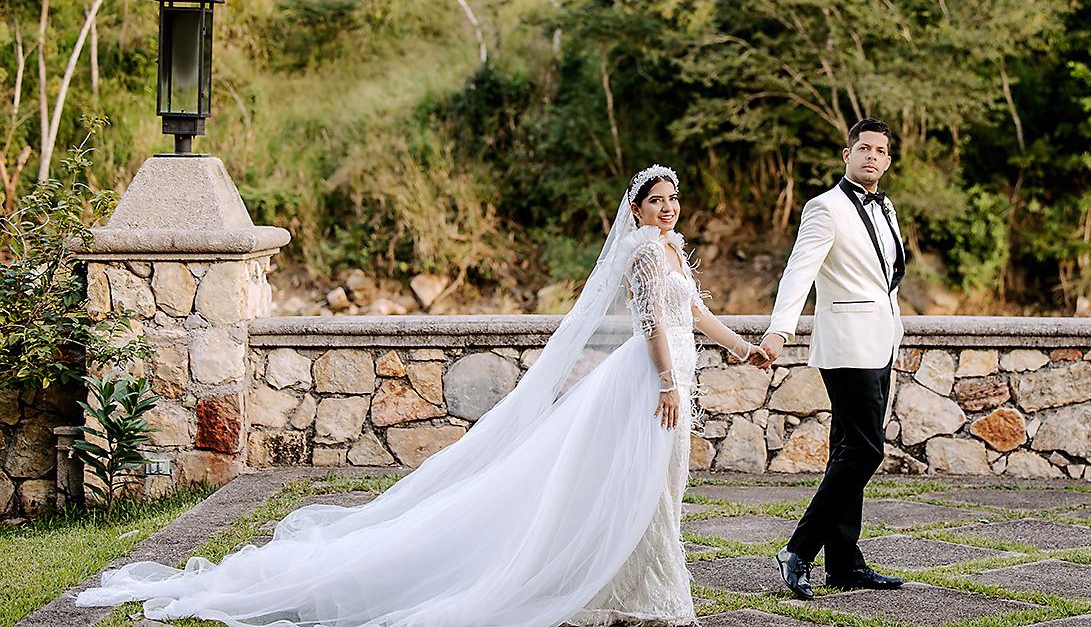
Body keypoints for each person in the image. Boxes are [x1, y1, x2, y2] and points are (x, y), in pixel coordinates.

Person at [74, 164, 770, 627]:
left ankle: (630, 588)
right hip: (652, 382)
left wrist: (745, 346)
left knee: (661, 486)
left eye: (674, 200)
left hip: (675, 372)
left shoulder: (676, 251)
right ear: (637, 209)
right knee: (641, 485)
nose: (668, 209)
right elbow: (651, 324)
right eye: (657, 201)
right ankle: (645, 594)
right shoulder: (645, 252)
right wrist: (673, 382)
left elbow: (694, 316)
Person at [755, 118, 907, 600]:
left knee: (847, 449)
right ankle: (798, 551)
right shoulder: (825, 208)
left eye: (881, 151)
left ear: (887, 160)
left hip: (881, 339)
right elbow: (798, 272)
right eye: (863, 148)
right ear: (847, 155)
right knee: (866, 450)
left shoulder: (888, 209)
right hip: (846, 343)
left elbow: (888, 279)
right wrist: (780, 331)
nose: (872, 157)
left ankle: (843, 564)